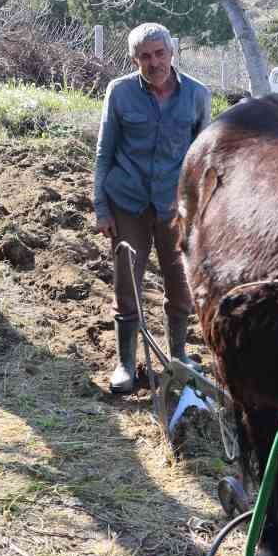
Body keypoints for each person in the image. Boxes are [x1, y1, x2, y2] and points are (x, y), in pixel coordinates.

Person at [93, 23, 212, 394]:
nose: (153, 62)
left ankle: (178, 356)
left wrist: (202, 212)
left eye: (159, 53)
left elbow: (203, 159)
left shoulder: (196, 95)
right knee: (126, 285)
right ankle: (126, 364)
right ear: (134, 59)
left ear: (171, 53)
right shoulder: (120, 92)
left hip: (173, 208)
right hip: (126, 202)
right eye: (145, 56)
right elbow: (104, 150)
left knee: (181, 287)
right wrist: (101, 207)